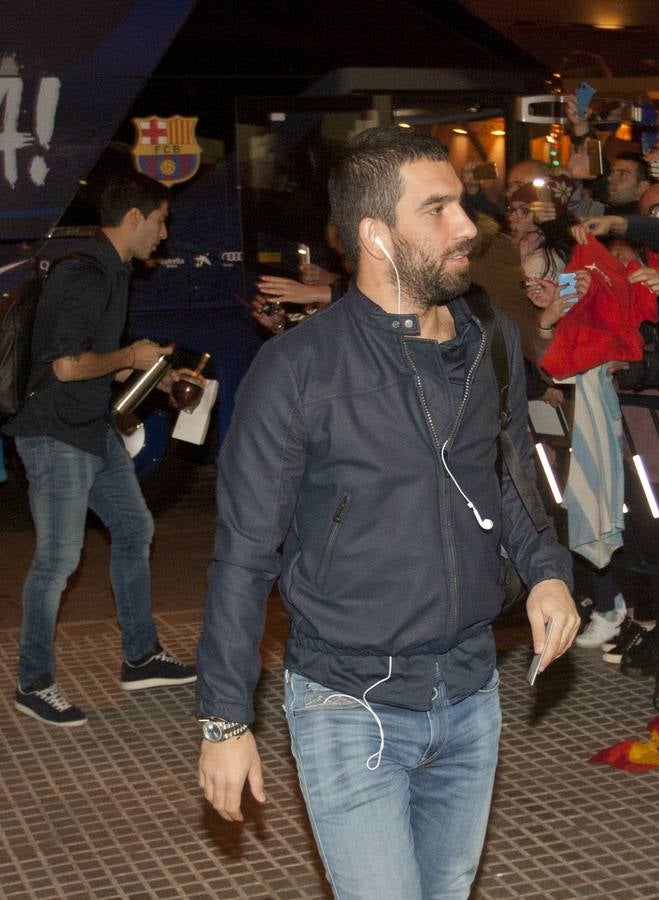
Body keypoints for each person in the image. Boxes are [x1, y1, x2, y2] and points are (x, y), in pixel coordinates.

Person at [194, 127, 579, 898]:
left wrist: (546, 575)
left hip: (471, 692)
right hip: (350, 701)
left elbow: (510, 480)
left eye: (461, 204)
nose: (467, 224)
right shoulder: (298, 370)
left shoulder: (491, 341)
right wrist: (225, 722)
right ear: (376, 234)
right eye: (436, 209)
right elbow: (243, 553)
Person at [5, 171, 197, 727]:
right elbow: (67, 366)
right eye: (160, 222)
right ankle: (33, 683)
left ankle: (140, 657)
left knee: (135, 529)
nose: (164, 234)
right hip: (56, 434)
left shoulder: (111, 270)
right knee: (57, 561)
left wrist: (154, 376)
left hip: (91, 429)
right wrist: (129, 357)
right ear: (134, 218)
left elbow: (91, 363)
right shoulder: (87, 274)